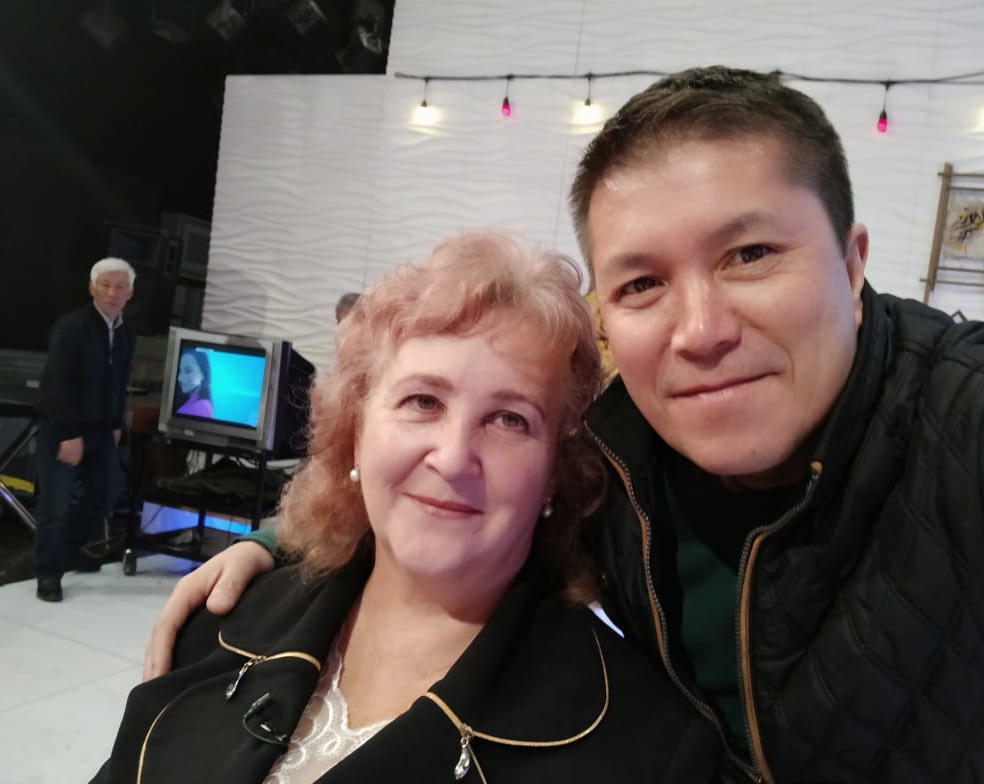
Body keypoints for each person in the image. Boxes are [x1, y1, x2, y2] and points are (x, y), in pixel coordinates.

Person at [144, 67, 984, 783]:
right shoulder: (618, 457)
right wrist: (274, 543)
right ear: (610, 315)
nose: (701, 332)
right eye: (643, 282)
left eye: (750, 254)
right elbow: (436, 489)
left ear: (852, 265)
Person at [95, 232, 720, 783]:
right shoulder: (214, 627)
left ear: (557, 471)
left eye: (510, 418)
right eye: (423, 401)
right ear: (355, 433)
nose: (453, 457)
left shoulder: (645, 752)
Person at [33, 257, 136, 603]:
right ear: (92, 288)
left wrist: (116, 423)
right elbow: (57, 383)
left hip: (101, 428)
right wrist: (68, 434)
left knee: (106, 494)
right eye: (105, 285)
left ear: (130, 293)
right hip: (62, 427)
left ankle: (66, 550)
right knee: (55, 505)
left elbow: (119, 380)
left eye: (120, 286)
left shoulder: (126, 332)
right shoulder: (72, 327)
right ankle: (48, 574)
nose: (112, 293)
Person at [174, 348, 214, 417]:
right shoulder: (188, 399)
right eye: (179, 371)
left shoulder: (202, 407)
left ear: (203, 374)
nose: (179, 378)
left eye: (188, 370)